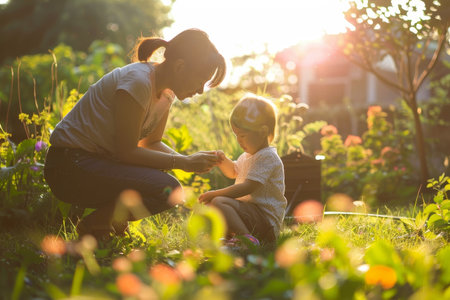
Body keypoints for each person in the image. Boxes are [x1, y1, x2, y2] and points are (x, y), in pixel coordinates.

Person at [44, 29, 226, 239]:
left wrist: (189, 161)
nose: (201, 90)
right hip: (69, 166)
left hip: (94, 164)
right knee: (168, 189)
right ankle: (94, 224)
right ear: (180, 66)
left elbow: (152, 143)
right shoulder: (138, 82)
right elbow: (127, 152)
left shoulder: (166, 94)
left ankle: (104, 226)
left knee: (165, 183)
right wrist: (184, 163)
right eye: (200, 80)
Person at [199, 94, 287, 245]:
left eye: (243, 135)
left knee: (220, 202)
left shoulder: (267, 157)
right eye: (236, 135)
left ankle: (247, 240)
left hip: (265, 221)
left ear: (263, 131)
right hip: (249, 215)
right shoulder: (247, 156)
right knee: (213, 205)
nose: (238, 140)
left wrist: (215, 193)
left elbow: (247, 187)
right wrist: (223, 161)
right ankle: (232, 239)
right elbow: (233, 171)